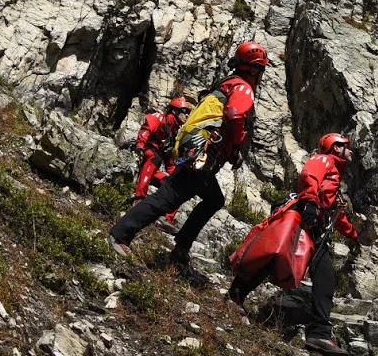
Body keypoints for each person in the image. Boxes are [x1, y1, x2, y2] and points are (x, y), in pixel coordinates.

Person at [108, 40, 270, 278]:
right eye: (261, 69)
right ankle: (120, 235)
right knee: (167, 198)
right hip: (203, 150)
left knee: (214, 198)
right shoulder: (243, 87)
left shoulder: (225, 84)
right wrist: (235, 147)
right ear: (255, 69)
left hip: (194, 148)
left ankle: (182, 245)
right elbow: (235, 115)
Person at [228, 132, 361, 356]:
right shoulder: (324, 160)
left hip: (315, 228)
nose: (351, 150)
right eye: (346, 146)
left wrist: (352, 234)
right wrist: (309, 201)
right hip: (304, 219)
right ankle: (234, 296)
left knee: (324, 278)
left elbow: (335, 214)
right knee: (273, 255)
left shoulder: (335, 176)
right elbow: (309, 175)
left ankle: (319, 333)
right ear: (336, 148)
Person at [130, 97, 192, 235]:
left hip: (152, 166)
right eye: (184, 111)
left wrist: (178, 173)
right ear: (174, 111)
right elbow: (146, 129)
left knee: (176, 186)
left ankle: (165, 219)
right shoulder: (160, 119)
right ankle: (139, 198)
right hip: (144, 154)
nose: (187, 115)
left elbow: (169, 163)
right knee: (154, 157)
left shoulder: (173, 135)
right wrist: (140, 146)